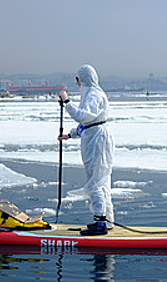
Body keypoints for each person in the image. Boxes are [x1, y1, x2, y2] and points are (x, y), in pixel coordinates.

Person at [58, 64, 115, 236]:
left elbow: (84, 116)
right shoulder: (91, 95)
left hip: (98, 141)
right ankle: (106, 220)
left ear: (84, 79)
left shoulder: (95, 95)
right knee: (100, 180)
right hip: (93, 137)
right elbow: (88, 123)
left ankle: (100, 223)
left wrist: (67, 102)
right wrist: (70, 134)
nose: (77, 83)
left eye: (78, 80)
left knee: (96, 181)